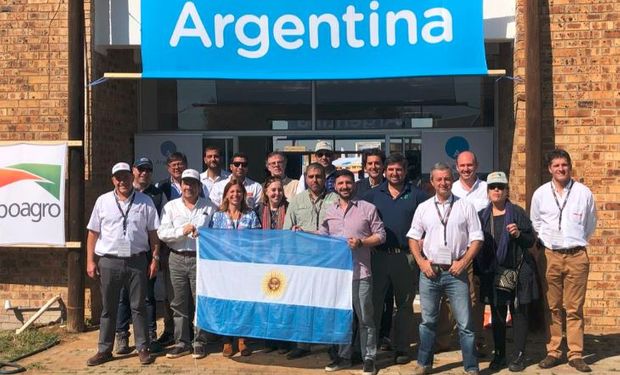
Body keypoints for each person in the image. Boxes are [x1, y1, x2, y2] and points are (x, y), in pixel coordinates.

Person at [407, 162, 484, 375]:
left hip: (455, 272)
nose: (443, 183)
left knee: (465, 324)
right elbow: (413, 238)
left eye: (447, 179)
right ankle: (424, 363)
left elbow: (477, 238)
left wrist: (464, 262)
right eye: (439, 179)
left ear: (453, 180)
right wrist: (422, 262)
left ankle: (470, 366)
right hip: (430, 271)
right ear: (432, 182)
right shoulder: (423, 208)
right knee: (427, 322)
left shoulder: (465, 206)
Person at [85, 162, 160, 366]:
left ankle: (143, 348)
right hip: (109, 261)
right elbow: (93, 233)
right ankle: (104, 350)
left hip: (137, 260)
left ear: (132, 177)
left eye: (126, 176)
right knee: (108, 308)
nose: (122, 181)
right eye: (118, 177)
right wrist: (90, 261)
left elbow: (154, 234)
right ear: (113, 180)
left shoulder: (145, 202)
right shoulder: (103, 201)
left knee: (139, 307)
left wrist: (155, 259)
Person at [531, 149, 596, 373]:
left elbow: (590, 224)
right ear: (550, 168)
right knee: (552, 306)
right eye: (556, 165)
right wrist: (550, 242)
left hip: (577, 255)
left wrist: (574, 242)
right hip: (550, 255)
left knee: (575, 307)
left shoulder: (583, 193)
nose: (561, 169)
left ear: (570, 166)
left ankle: (576, 354)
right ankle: (554, 351)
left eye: (564, 165)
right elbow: (536, 223)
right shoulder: (540, 194)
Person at [362, 153, 427, 364]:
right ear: (384, 171)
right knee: (374, 304)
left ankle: (401, 348)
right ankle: (370, 350)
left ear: (405, 171)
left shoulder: (417, 195)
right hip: (378, 257)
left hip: (405, 258)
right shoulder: (372, 195)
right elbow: (360, 222)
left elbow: (429, 221)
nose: (394, 173)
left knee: (405, 306)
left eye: (399, 169)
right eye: (390, 169)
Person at [320, 169, 385, 375]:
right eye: (341, 184)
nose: (345, 187)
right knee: (343, 318)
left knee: (365, 318)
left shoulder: (367, 208)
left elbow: (381, 235)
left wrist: (362, 242)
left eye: (348, 183)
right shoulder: (329, 210)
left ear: (354, 184)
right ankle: (344, 357)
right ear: (335, 187)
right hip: (338, 276)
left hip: (361, 273)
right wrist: (303, 234)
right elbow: (323, 237)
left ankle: (369, 358)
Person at [477, 171, 537, 372]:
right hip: (494, 273)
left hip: (518, 272)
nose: (496, 190)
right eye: (493, 187)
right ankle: (500, 354)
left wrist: (519, 234)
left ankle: (519, 355)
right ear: (488, 192)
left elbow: (530, 241)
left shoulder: (518, 213)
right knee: (498, 315)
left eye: (500, 187)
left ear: (507, 190)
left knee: (519, 313)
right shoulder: (482, 217)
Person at [157, 169, 216, 360]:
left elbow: (216, 234)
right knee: (178, 302)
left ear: (199, 187)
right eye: (185, 183)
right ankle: (182, 342)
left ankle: (200, 341)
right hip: (176, 257)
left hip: (200, 259)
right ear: (180, 185)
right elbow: (162, 233)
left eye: (193, 183)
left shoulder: (210, 207)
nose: (188, 187)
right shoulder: (171, 207)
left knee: (200, 302)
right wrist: (181, 231)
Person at [114, 158, 168, 355]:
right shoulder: (122, 192)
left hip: (145, 252)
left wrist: (156, 255)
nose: (144, 172)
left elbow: (159, 227)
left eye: (149, 170)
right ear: (133, 171)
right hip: (121, 250)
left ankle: (150, 336)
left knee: (147, 296)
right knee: (123, 296)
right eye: (141, 169)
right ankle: (121, 335)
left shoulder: (156, 195)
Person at [284, 162, 337, 359]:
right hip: (303, 262)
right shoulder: (296, 201)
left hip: (329, 262)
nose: (315, 180)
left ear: (325, 178)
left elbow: (339, 230)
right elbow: (286, 232)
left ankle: (332, 344)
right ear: (305, 179)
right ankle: (302, 344)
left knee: (328, 303)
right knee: (303, 303)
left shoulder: (336, 199)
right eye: (311, 176)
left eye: (319, 176)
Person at [438, 150, 488, 354]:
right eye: (462, 165)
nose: (466, 169)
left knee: (475, 299)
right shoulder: (451, 188)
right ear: (456, 167)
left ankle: (476, 340)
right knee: (448, 297)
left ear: (476, 165)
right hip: (453, 252)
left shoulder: (486, 189)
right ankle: (442, 341)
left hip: (480, 252)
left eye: (470, 165)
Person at [209, 179, 261, 357]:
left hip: (245, 267)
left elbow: (257, 241)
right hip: (224, 268)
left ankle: (242, 340)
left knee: (243, 303)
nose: (235, 195)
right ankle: (226, 340)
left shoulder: (251, 215)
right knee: (226, 303)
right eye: (232, 192)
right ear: (226, 195)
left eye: (239, 192)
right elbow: (212, 241)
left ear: (243, 194)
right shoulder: (217, 216)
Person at [354, 148, 392, 351]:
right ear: (365, 166)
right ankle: (363, 337)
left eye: (377, 163)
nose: (374, 167)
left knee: (386, 297)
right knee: (366, 299)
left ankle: (384, 335)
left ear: (383, 166)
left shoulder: (391, 187)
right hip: (361, 253)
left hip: (384, 250)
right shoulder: (357, 187)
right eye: (370, 163)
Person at [255, 176, 291, 354]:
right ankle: (269, 340)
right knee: (267, 301)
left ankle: (284, 340)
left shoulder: (290, 208)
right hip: (265, 262)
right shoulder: (258, 209)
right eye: (273, 190)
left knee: (283, 301)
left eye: (279, 190)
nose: (277, 193)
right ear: (266, 192)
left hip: (286, 262)